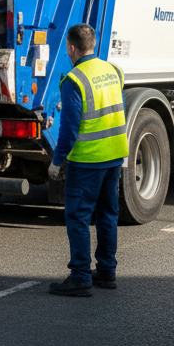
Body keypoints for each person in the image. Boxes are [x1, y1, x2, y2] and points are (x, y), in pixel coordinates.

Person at [48, 24, 129, 297]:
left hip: (87, 160)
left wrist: (57, 161)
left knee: (78, 217)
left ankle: (80, 275)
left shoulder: (74, 80)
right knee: (108, 214)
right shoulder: (114, 71)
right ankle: (107, 272)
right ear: (92, 45)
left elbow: (68, 129)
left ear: (71, 48)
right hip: (114, 155)